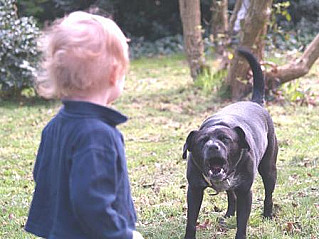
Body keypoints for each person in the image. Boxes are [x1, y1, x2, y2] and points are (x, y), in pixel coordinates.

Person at [25, 11, 144, 239]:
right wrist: (122, 235)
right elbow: (91, 202)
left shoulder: (55, 125)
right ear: (114, 74)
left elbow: (41, 174)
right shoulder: (98, 135)